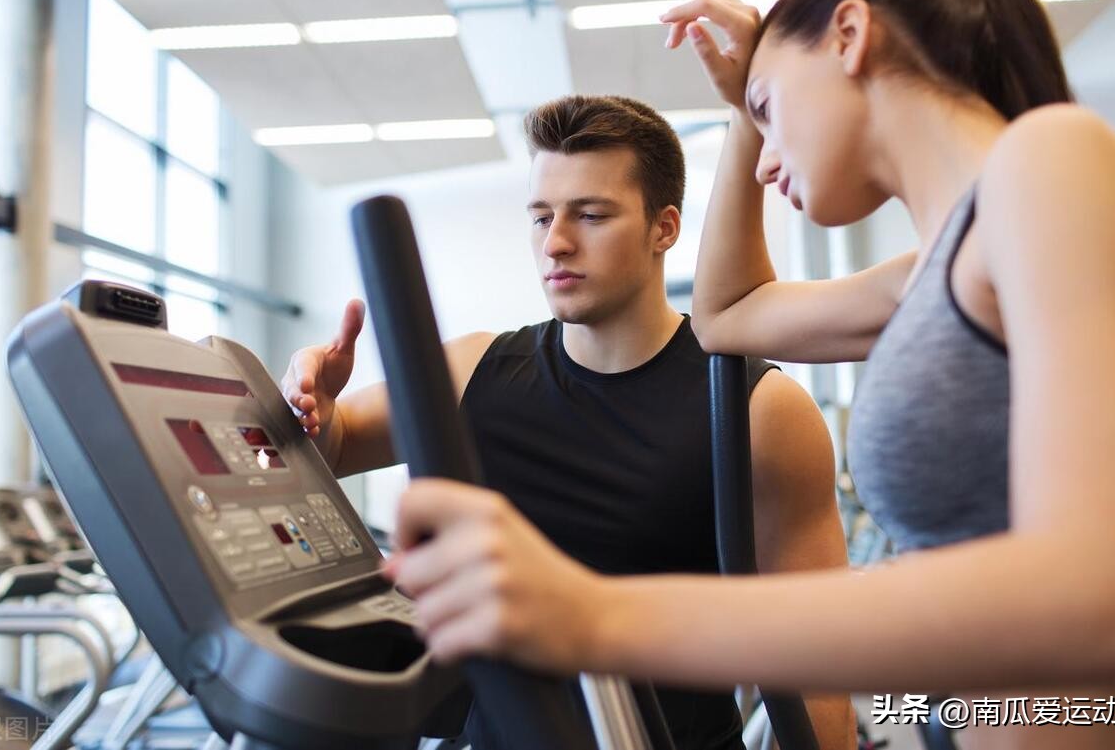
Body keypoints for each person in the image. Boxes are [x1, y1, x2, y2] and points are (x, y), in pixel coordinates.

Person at [382, 0, 1115, 748]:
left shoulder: (1051, 156)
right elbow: (728, 315)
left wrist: (598, 612)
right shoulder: (932, 272)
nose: (770, 155)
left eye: (769, 109)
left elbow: (1102, 599)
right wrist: (747, 111)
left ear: (849, 35)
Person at [281, 95, 855, 749]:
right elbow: (336, 441)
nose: (555, 241)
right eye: (541, 216)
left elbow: (819, 671)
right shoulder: (474, 370)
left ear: (663, 228)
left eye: (591, 214)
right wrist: (312, 403)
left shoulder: (760, 409)